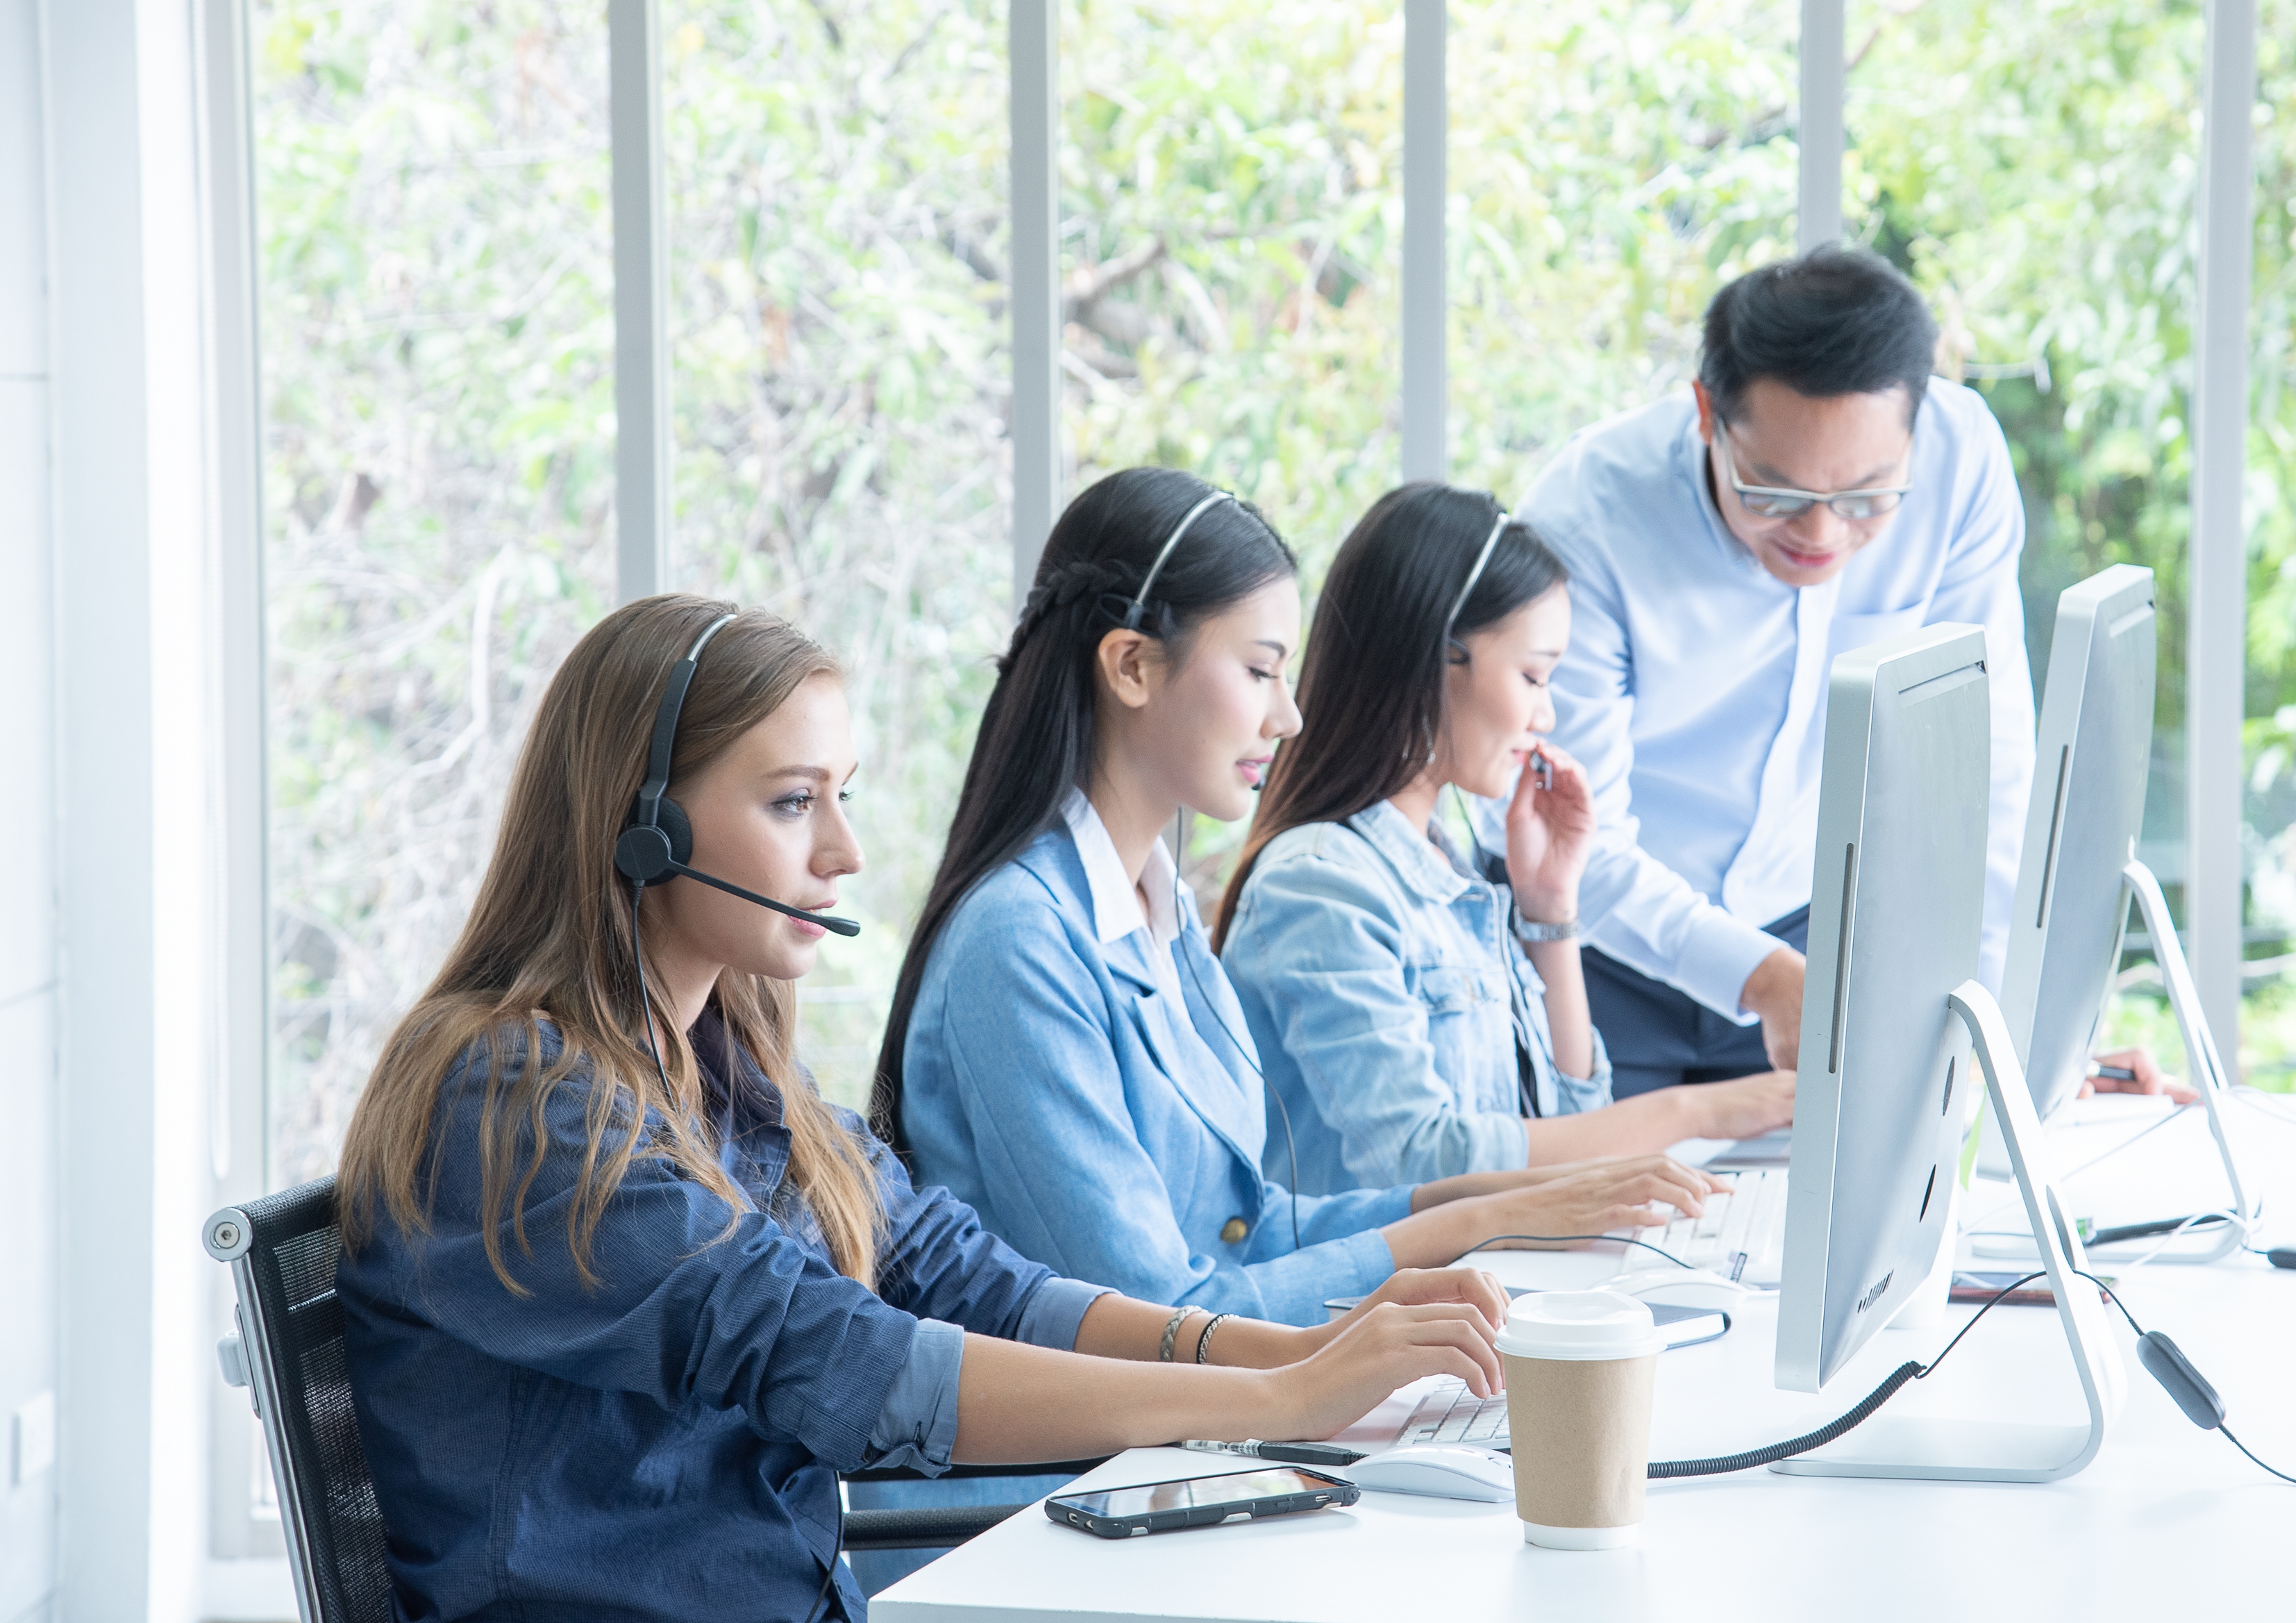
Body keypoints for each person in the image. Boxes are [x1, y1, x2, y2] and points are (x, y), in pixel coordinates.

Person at [335, 595, 1527, 1623]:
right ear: (643, 825)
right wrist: (1273, 1403)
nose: (847, 851)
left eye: (840, 796)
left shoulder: (722, 1069)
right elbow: (850, 1363)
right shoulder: (514, 1101)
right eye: (795, 802)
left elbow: (964, 1278)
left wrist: (1310, 1355)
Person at [875, 469, 1727, 1329]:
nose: (1288, 716)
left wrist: (1502, 1203)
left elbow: (1248, 1229)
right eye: (1259, 670)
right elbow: (1156, 1316)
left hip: (1188, 1431)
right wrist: (1477, 1216)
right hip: (1084, 1463)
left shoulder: (1155, 917)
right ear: (1131, 666)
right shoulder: (1019, 939)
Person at [1478, 246, 2184, 1103]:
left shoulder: (1961, 467)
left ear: (1918, 428)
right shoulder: (1590, 521)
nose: (1821, 532)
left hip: (1818, 944)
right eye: (1770, 492)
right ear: (1707, 413)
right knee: (1607, 1223)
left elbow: (1985, 771)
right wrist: (1761, 977)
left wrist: (2009, 1033)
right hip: (1600, 950)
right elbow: (1571, 840)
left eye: (1866, 497)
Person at [1214, 482, 1795, 1191]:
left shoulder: (1447, 871)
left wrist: (1551, 909)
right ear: (1436, 657)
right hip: (1373, 1301)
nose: (1545, 715)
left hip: (1483, 1282)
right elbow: (1422, 1160)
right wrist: (1703, 1111)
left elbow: (1577, 1120)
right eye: (1534, 675)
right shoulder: (1319, 885)